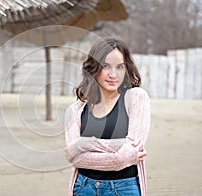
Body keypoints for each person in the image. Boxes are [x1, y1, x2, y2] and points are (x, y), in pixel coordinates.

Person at [64, 37, 150, 196]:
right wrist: (119, 155)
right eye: (105, 66)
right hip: (84, 187)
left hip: (124, 188)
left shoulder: (136, 98)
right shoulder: (75, 110)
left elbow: (132, 150)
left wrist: (84, 144)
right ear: (94, 68)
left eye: (119, 67)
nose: (113, 74)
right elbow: (73, 158)